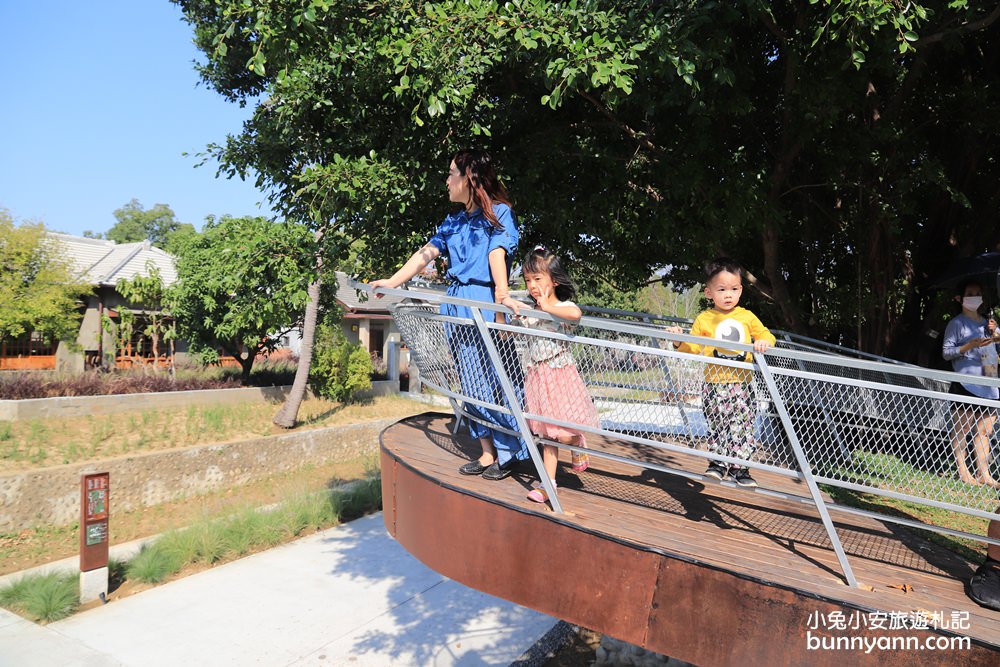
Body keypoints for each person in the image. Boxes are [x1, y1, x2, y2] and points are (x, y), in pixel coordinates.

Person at [370, 149, 528, 480]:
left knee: (491, 379)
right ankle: (487, 453)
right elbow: (425, 253)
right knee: (468, 382)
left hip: (481, 300)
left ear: (470, 178)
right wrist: (393, 282)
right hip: (455, 302)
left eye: (452, 173)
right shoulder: (454, 220)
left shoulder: (499, 214)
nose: (447, 180)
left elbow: (497, 253)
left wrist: (501, 299)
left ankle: (510, 451)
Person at [667, 257, 775, 488]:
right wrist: (678, 340)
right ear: (709, 292)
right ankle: (717, 463)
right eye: (722, 289)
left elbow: (766, 334)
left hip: (741, 383)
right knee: (716, 422)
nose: (728, 295)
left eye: (734, 289)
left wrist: (763, 343)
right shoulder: (705, 319)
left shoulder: (746, 316)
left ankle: (740, 468)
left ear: (741, 291)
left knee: (743, 424)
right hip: (713, 383)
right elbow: (693, 347)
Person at [516, 247, 599, 504]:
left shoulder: (563, 306)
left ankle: (577, 440)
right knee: (547, 433)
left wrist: (546, 306)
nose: (532, 285)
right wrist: (510, 308)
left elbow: (575, 315)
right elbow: (507, 333)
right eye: (528, 280)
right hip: (538, 376)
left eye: (538, 279)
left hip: (560, 374)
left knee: (563, 432)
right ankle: (547, 483)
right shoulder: (532, 311)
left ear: (553, 280)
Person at [941, 279, 999, 487]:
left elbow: (997, 349)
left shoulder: (989, 322)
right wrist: (968, 346)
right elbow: (947, 353)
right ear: (960, 298)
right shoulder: (956, 323)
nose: (974, 296)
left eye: (978, 292)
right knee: (962, 428)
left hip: (989, 383)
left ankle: (985, 473)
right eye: (970, 293)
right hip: (966, 382)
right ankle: (962, 470)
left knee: (985, 431)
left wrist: (995, 333)